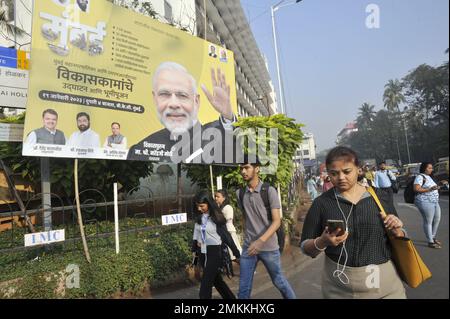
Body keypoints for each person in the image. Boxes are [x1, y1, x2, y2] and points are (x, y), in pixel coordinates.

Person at [300, 146, 406, 299]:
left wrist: (398, 230)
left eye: (347, 171)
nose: (341, 177)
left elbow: (400, 233)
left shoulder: (379, 198)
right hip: (339, 289)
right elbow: (305, 247)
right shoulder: (321, 204)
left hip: (386, 288)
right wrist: (322, 241)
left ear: (358, 169)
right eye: (334, 173)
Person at [127, 62, 237, 163]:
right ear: (155, 99)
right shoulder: (139, 151)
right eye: (164, 94)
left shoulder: (218, 139)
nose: (174, 104)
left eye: (182, 95)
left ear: (196, 101)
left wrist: (228, 116)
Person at [236, 160, 296, 299]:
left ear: (257, 169)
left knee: (279, 281)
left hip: (268, 247)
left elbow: (277, 221)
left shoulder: (269, 191)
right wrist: (249, 239)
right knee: (243, 289)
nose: (243, 171)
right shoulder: (240, 193)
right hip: (249, 247)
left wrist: (260, 241)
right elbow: (245, 218)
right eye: (241, 168)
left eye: (246, 168)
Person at [191, 190, 240, 299]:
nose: (199, 209)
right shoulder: (199, 217)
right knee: (217, 281)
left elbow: (227, 237)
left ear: (209, 203)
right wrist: (194, 255)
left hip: (215, 253)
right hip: (202, 253)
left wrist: (237, 253)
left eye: (202, 206)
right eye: (197, 206)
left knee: (205, 286)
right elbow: (196, 235)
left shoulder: (217, 218)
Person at [414, 162, 442, 249]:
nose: (431, 169)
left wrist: (439, 185)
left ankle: (432, 237)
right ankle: (430, 241)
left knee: (437, 219)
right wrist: (429, 189)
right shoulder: (420, 177)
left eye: (431, 168)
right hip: (425, 201)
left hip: (434, 201)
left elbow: (433, 187)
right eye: (429, 168)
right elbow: (416, 189)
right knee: (428, 221)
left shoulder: (429, 177)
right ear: (424, 168)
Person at [215, 189, 242, 261]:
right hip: (224, 231)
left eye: (218, 196)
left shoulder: (227, 207)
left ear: (224, 197)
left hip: (229, 230)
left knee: (235, 252)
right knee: (229, 255)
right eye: (215, 196)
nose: (216, 198)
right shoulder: (220, 208)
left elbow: (227, 219)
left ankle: (248, 269)